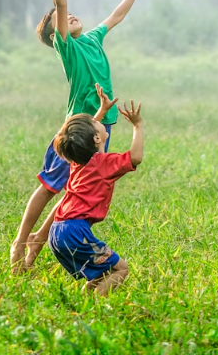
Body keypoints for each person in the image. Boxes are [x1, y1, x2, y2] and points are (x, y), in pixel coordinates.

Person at [10, 0, 153, 272]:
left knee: (74, 192)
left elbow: (115, 16)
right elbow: (60, 4)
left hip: (100, 126)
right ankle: (20, 243)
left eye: (71, 14)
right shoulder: (68, 48)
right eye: (59, 19)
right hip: (77, 128)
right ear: (53, 33)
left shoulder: (91, 39)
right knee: (49, 187)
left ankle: (34, 251)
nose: (69, 15)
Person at [49, 98, 143, 295]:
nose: (98, 121)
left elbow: (82, 137)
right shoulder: (104, 164)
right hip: (76, 232)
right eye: (96, 122)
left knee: (100, 273)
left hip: (57, 231)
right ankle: (96, 307)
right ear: (96, 139)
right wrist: (137, 125)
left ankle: (84, 302)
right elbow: (135, 157)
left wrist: (101, 110)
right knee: (121, 269)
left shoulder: (78, 161)